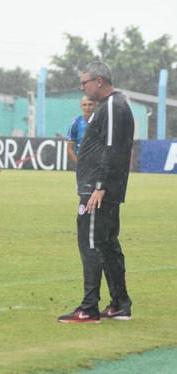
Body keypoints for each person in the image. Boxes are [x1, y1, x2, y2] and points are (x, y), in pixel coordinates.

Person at [58, 61, 134, 323]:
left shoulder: (112, 106)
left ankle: (89, 308)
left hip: (97, 189)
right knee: (107, 244)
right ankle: (120, 304)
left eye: (85, 82)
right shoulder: (115, 105)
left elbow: (112, 149)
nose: (83, 87)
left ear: (99, 81)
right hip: (103, 188)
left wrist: (100, 186)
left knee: (90, 243)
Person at [66, 96, 97, 166]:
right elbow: (69, 149)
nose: (87, 107)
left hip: (98, 167)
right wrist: (80, 164)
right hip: (82, 169)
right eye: (84, 105)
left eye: (90, 104)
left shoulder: (101, 122)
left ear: (95, 105)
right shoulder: (75, 124)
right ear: (81, 106)